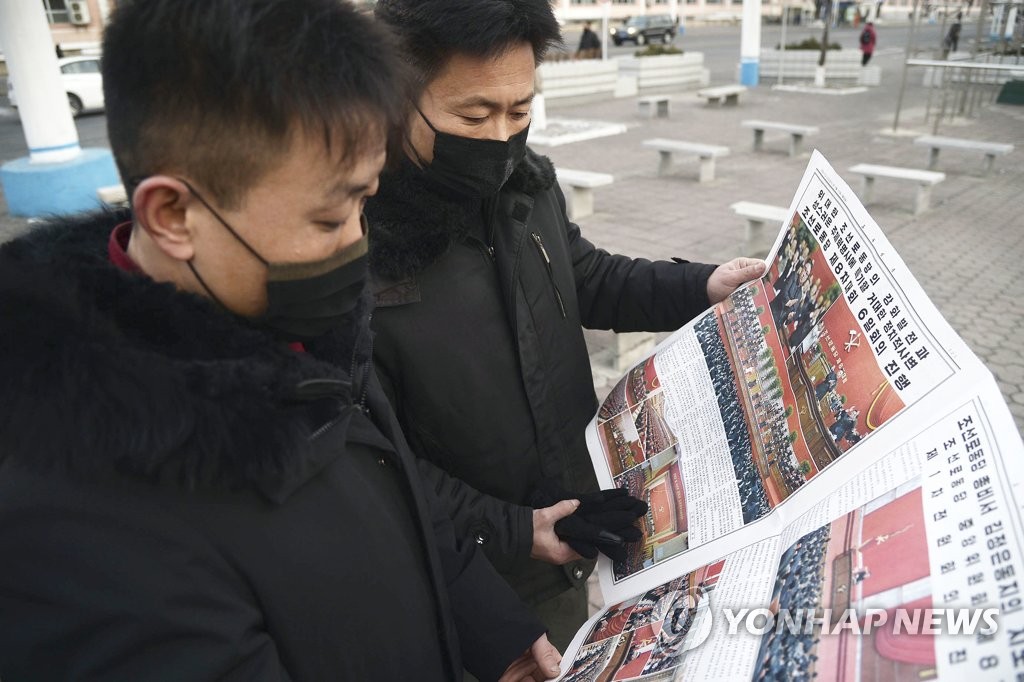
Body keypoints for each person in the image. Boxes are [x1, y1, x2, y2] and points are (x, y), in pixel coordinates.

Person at [0, 1, 560, 680]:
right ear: (172, 214)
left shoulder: (302, 325)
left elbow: (389, 492)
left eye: (364, 203)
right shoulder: (74, 536)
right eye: (328, 218)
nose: (359, 242)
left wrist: (488, 628)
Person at [369, 0, 767, 650]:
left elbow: (589, 278)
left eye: (520, 111)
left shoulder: (527, 189)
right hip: (458, 581)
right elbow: (374, 463)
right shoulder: (351, 241)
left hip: (572, 541)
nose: (501, 137)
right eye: (474, 115)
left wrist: (702, 284)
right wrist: (512, 528)